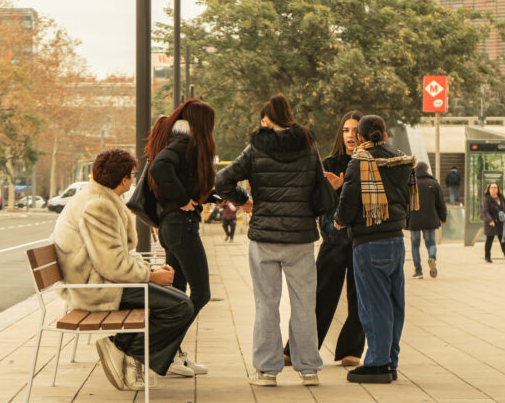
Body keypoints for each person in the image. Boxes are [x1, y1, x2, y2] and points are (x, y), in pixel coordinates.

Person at [49, 149, 194, 391]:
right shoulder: (99, 206)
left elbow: (118, 256)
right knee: (180, 307)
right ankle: (123, 349)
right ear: (124, 179)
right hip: (95, 287)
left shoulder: (99, 197)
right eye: (132, 175)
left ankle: (127, 351)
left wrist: (149, 270)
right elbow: (112, 265)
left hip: (99, 280)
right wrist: (151, 276)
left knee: (179, 300)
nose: (133, 180)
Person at [215, 94, 323, 387]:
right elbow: (318, 184)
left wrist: (243, 201)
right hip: (300, 237)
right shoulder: (308, 145)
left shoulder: (256, 148)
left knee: (266, 303)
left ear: (266, 120)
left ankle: (266, 371)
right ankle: (309, 369)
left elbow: (222, 180)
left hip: (264, 237)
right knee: (304, 303)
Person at [333, 115, 416, 384]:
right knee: (394, 304)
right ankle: (390, 361)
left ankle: (378, 364)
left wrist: (339, 220)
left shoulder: (360, 161)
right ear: (385, 134)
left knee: (373, 304)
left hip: (369, 241)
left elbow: (349, 201)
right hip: (395, 240)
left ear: (360, 137)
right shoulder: (400, 158)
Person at [283, 110, 365, 368]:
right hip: (333, 240)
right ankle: (296, 348)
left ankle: (351, 350)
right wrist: (332, 190)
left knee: (360, 298)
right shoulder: (328, 164)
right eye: (346, 130)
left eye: (356, 130)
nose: (350, 135)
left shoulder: (370, 164)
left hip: (362, 241)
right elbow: (315, 203)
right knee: (318, 297)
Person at [147, 99, 217, 376]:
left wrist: (200, 197)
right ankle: (159, 345)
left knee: (176, 293)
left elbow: (178, 175)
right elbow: (159, 167)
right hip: (180, 227)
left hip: (173, 226)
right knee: (201, 292)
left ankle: (171, 353)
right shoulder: (184, 143)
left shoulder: (178, 141)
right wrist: (182, 198)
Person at [408, 162, 447, 279]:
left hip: (414, 219)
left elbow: (405, 203)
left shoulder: (411, 183)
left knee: (415, 245)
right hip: (430, 219)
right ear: (426, 170)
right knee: (431, 243)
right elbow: (440, 202)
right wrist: (443, 217)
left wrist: (404, 220)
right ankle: (432, 257)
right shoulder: (433, 183)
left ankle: (418, 271)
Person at [482, 182, 505, 263]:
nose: (493, 189)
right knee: (489, 240)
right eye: (492, 187)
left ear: (498, 189)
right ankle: (487, 257)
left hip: (500, 223)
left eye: (495, 187)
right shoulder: (487, 200)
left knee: (503, 240)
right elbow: (486, 212)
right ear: (489, 190)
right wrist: (490, 220)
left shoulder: (501, 198)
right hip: (492, 224)